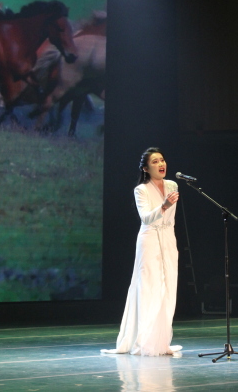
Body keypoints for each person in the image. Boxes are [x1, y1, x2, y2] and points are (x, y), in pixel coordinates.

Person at [102, 147, 182, 356]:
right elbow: (146, 218)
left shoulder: (172, 185)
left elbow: (171, 219)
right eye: (155, 162)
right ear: (146, 168)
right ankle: (144, 341)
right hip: (149, 239)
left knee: (168, 288)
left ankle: (161, 341)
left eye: (162, 160)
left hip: (168, 238)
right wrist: (164, 205)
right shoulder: (141, 190)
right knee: (149, 288)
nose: (161, 164)